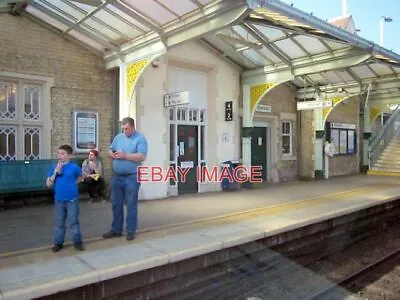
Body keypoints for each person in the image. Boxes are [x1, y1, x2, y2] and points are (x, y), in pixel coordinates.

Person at [103, 117, 148, 241]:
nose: (125, 131)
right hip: (117, 176)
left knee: (131, 204)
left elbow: (142, 156)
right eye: (123, 129)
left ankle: (130, 230)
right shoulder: (118, 137)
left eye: (127, 129)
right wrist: (112, 154)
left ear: (133, 127)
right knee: (116, 204)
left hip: (132, 177)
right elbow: (109, 150)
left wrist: (125, 155)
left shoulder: (140, 138)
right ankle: (116, 229)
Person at [46, 145, 84, 252]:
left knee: (73, 221)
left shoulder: (74, 167)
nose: (59, 156)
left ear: (69, 156)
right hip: (59, 200)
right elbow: (48, 184)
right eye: (58, 153)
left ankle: (77, 242)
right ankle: (58, 243)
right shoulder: (54, 167)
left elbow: (82, 175)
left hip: (72, 199)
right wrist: (55, 173)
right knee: (59, 223)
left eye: (62, 154)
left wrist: (75, 183)